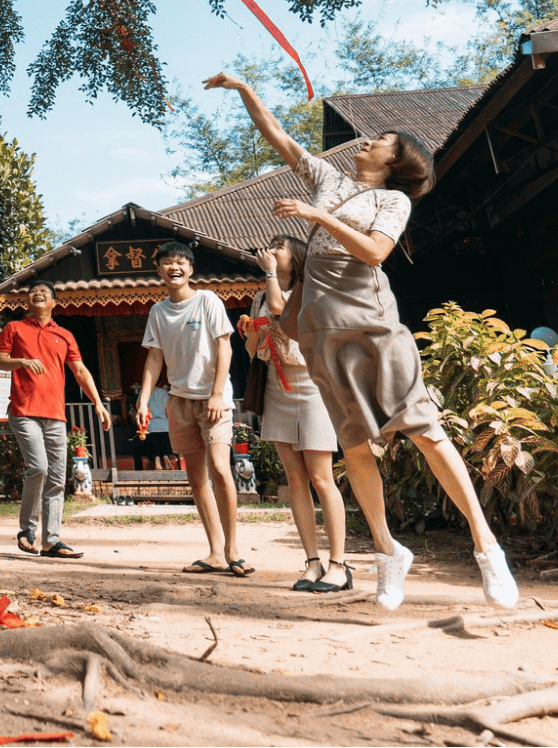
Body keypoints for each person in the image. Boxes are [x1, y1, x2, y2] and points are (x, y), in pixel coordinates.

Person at [203, 71, 518, 611]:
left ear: (395, 162)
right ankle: (386, 551)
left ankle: (487, 547)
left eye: (380, 142)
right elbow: (278, 135)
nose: (367, 143)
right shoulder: (327, 178)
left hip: (373, 331)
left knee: (424, 432)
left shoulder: (392, 201)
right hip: (324, 340)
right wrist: (244, 90)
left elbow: (373, 254)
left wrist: (318, 216)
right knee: (353, 447)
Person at [241, 234, 350, 592]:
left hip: (314, 387)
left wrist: (270, 274)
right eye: (269, 246)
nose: (271, 252)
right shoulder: (258, 296)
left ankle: (339, 564)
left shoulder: (310, 289)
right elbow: (256, 347)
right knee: (295, 479)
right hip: (277, 387)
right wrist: (251, 337)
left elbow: (280, 311)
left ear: (297, 255)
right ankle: (312, 563)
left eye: (280, 247)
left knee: (321, 477)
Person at [137, 241, 249, 577]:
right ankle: (215, 552)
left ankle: (233, 549)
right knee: (196, 476)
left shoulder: (207, 301)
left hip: (213, 399)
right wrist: (143, 400)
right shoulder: (158, 312)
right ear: (158, 270)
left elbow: (225, 347)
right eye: (167, 263)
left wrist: (217, 394)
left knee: (220, 467)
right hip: (179, 400)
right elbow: (154, 357)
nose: (174, 267)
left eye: (181, 262)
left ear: (190, 269)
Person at [0, 284, 110, 558]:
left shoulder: (64, 334)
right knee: (39, 468)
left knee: (57, 478)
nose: (38, 294)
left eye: (44, 292)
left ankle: (51, 541)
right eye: (33, 292)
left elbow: (80, 371)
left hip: (56, 415)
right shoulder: (14, 328)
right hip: (24, 411)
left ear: (54, 302)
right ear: (27, 301)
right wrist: (22, 362)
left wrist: (98, 403)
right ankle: (27, 530)